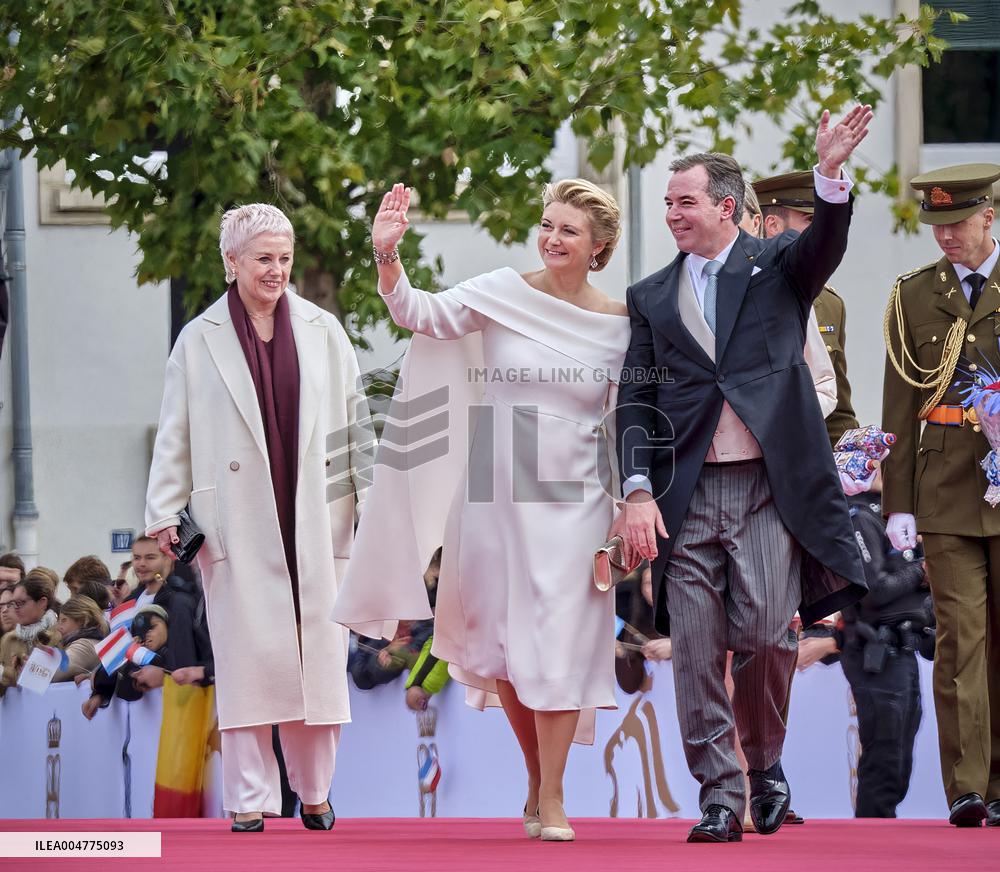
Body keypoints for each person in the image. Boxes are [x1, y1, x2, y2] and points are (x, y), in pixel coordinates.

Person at [333, 179, 630, 841]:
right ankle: (536, 776)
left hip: (576, 501)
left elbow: (626, 420)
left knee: (557, 643)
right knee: (511, 652)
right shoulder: (501, 290)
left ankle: (553, 797)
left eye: (569, 231)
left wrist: (627, 505)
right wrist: (387, 255)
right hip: (494, 494)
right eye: (548, 224)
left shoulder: (621, 325)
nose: (553, 238)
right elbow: (420, 313)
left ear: (599, 247)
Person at [614, 106, 872, 844]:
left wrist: (828, 174)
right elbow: (636, 398)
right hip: (685, 497)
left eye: (684, 201)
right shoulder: (652, 296)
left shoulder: (780, 271)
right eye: (666, 203)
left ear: (727, 207)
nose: (672, 214)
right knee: (695, 646)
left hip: (767, 488)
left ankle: (763, 765)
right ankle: (719, 796)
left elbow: (827, 240)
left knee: (765, 632)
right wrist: (635, 490)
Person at [145, 203, 369, 833]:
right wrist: (165, 510)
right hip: (237, 519)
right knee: (248, 665)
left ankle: (316, 793)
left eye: (284, 258)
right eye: (263, 259)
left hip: (318, 515)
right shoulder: (198, 338)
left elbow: (356, 424)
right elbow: (175, 435)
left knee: (316, 662)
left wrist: (371, 497)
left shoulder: (325, 329)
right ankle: (249, 800)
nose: (276, 271)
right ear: (231, 262)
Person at [882, 162, 1000, 828]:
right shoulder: (912, 296)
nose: (946, 238)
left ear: (990, 215)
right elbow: (899, 404)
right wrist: (897, 502)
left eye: (957, 224)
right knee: (961, 635)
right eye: (937, 227)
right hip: (947, 486)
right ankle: (968, 785)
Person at [797, 467, 932, 817]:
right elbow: (874, 590)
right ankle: (874, 835)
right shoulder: (858, 515)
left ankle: (879, 828)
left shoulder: (894, 516)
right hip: (876, 652)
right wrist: (922, 572)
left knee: (898, 755)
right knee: (885, 756)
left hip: (903, 649)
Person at [754, 171, 860, 448]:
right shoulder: (735, 292)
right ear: (773, 225)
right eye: (811, 221)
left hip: (812, 467)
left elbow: (838, 409)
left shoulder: (829, 303)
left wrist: (855, 458)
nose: (822, 232)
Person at [82, 604, 170, 719]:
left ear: (167, 624)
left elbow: (166, 665)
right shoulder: (140, 657)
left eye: (152, 627)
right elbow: (127, 692)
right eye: (141, 632)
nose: (147, 635)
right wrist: (100, 694)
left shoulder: (177, 650)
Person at [0, 576, 61, 695]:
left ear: (42, 602)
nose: (15, 609)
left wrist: (6, 673)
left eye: (20, 603)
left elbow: (47, 680)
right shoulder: (8, 639)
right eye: (13, 604)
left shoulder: (58, 636)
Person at [52, 595, 108, 682]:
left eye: (64, 620)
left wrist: (32, 667)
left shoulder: (85, 646)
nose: (58, 627)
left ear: (82, 620)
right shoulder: (90, 642)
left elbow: (53, 673)